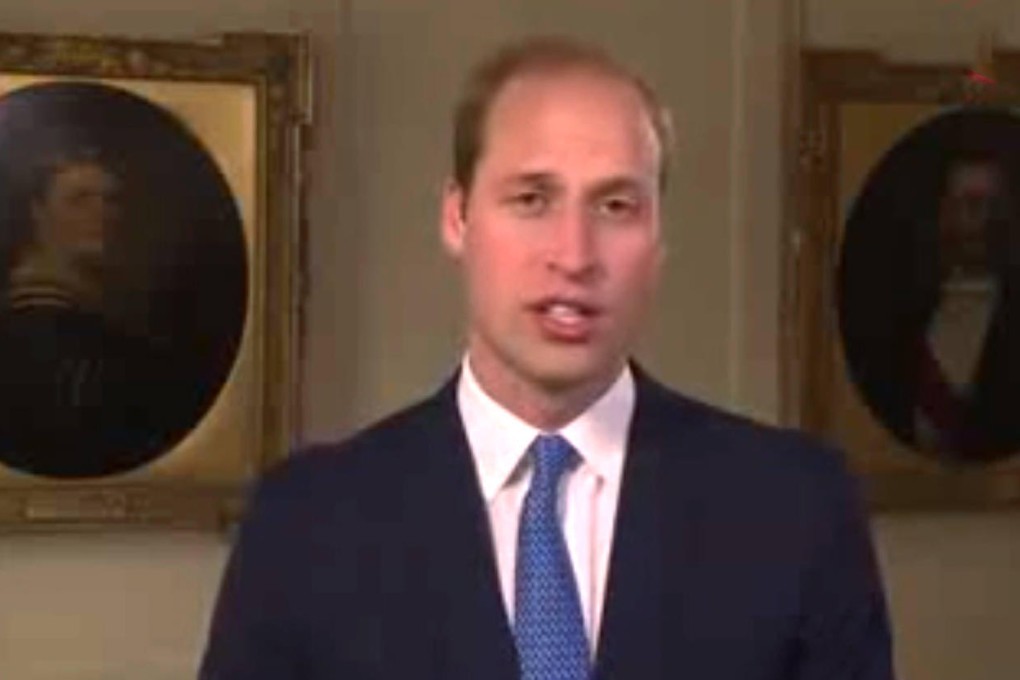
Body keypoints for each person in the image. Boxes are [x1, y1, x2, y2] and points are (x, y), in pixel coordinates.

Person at [200, 36, 894, 679]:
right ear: (457, 216)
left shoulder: (795, 507)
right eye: (532, 199)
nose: (574, 254)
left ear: (658, 238)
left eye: (616, 205)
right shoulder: (307, 523)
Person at [0, 147, 204, 478]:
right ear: (37, 212)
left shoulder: (97, 323)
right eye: (80, 199)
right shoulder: (39, 330)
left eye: (111, 200)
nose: (104, 213)